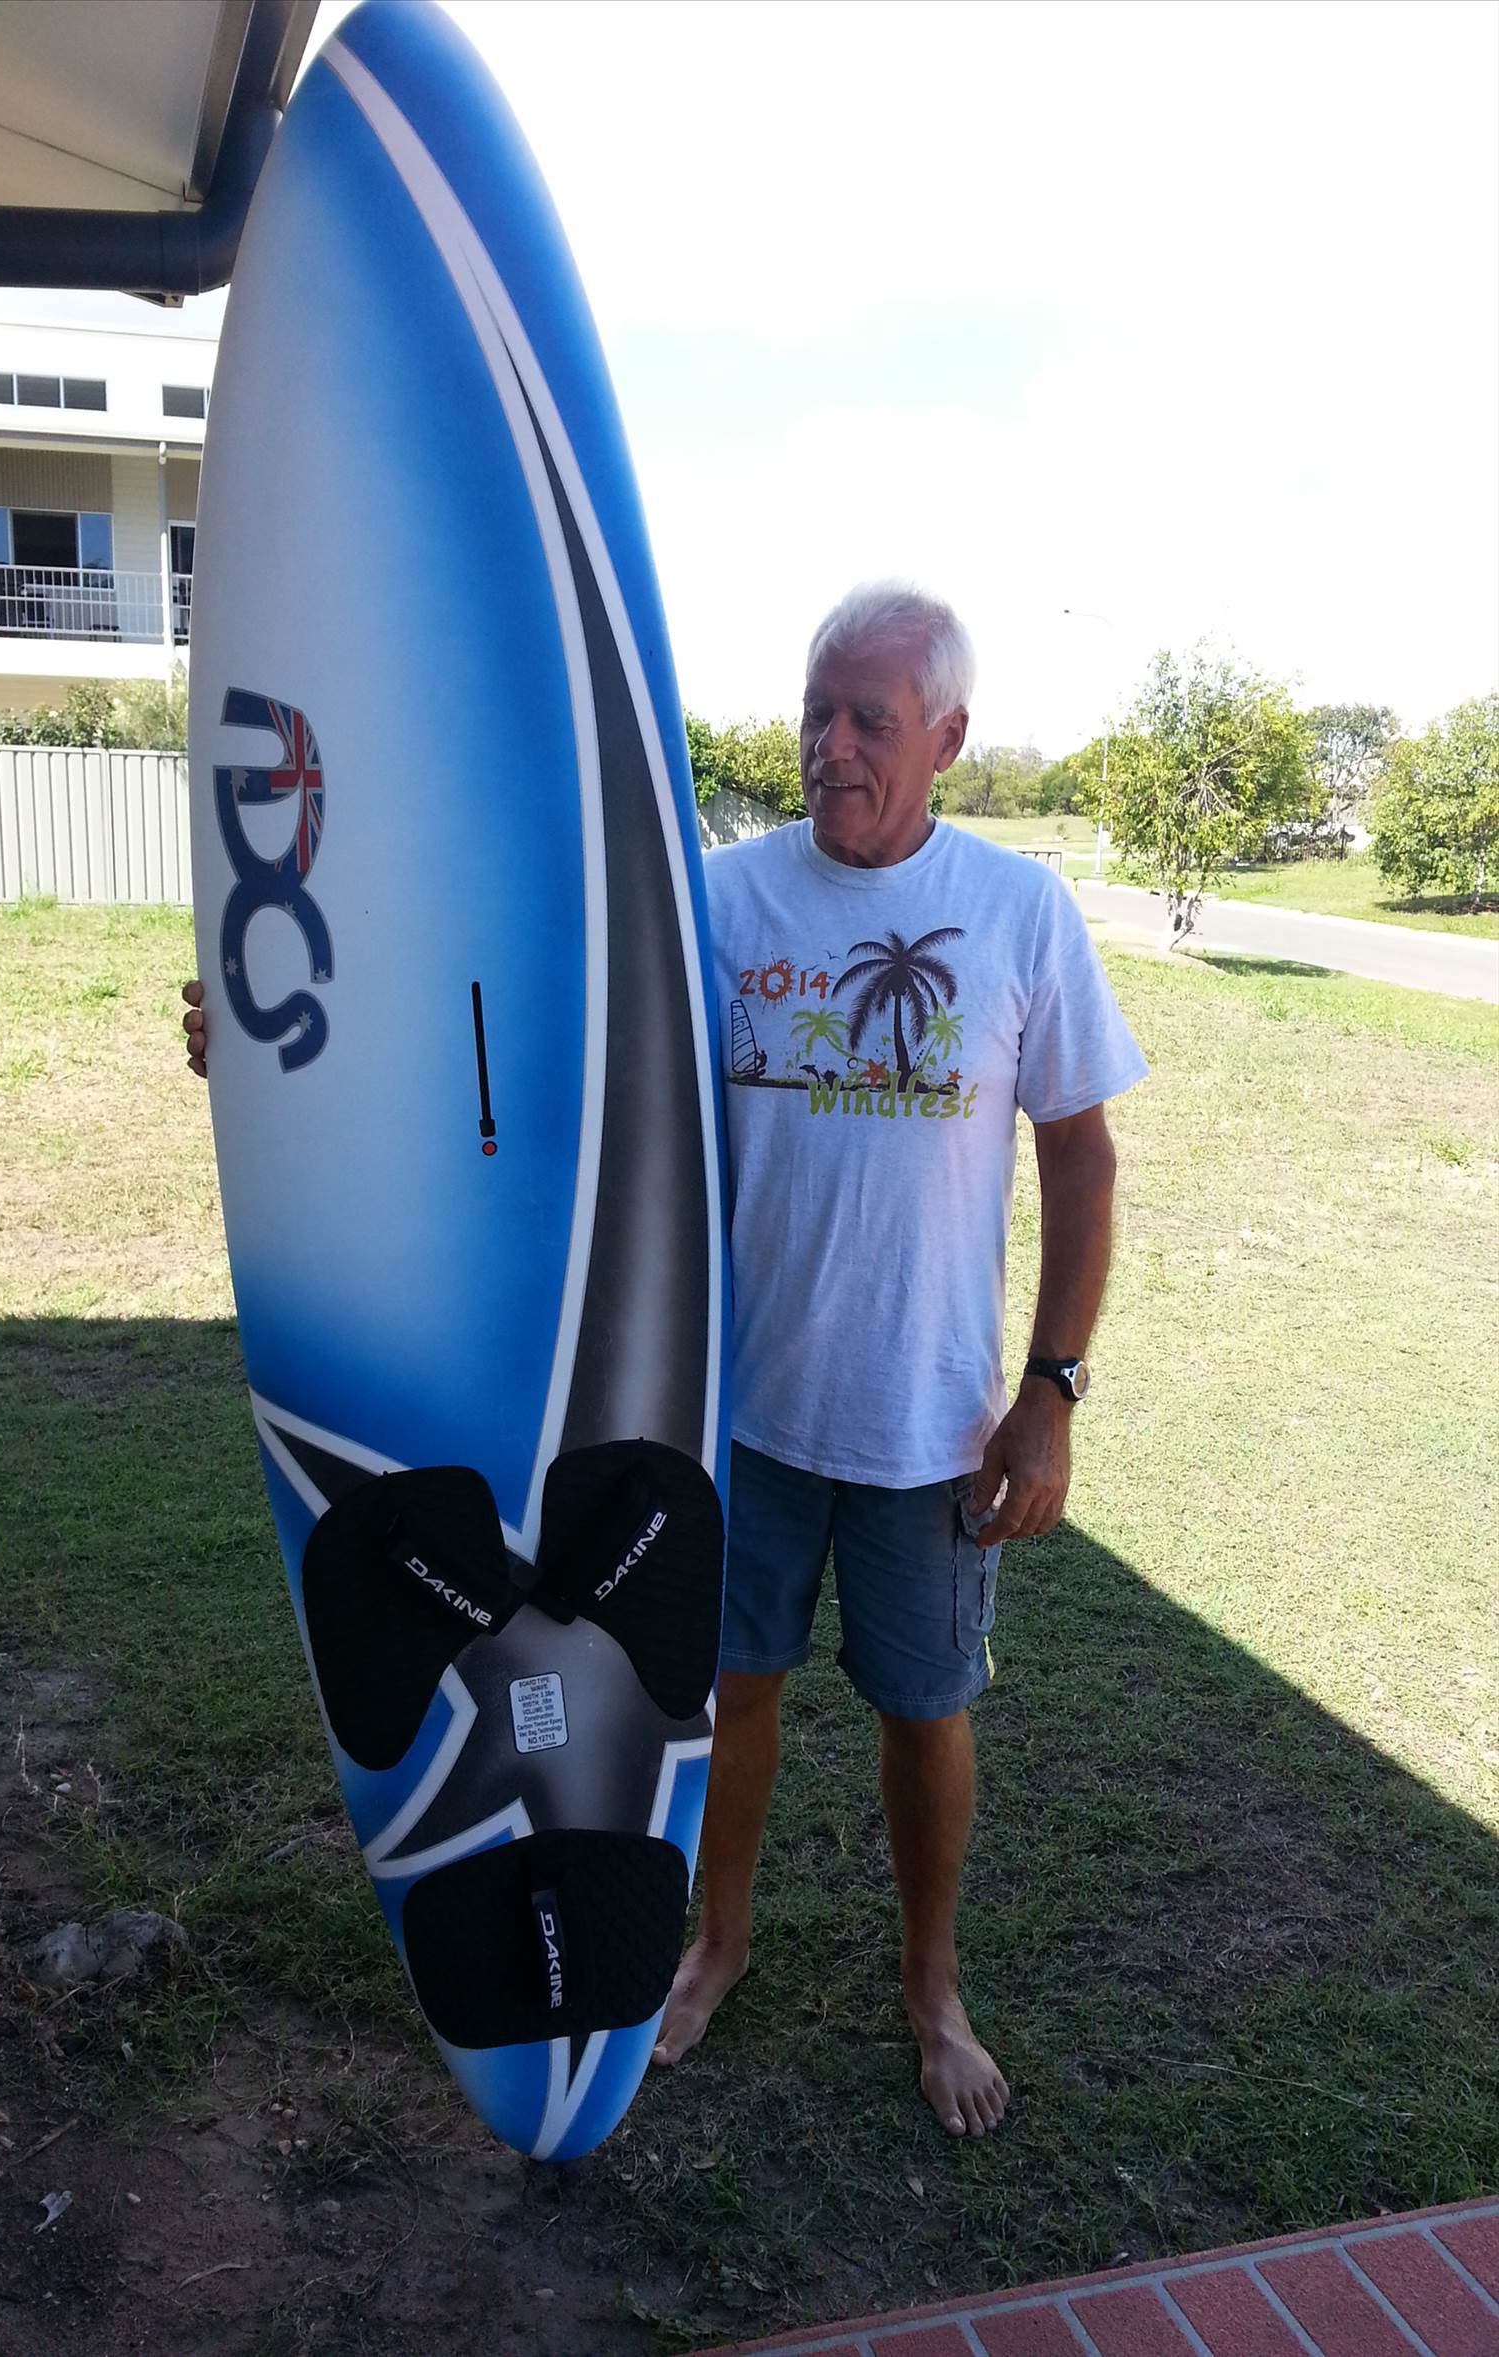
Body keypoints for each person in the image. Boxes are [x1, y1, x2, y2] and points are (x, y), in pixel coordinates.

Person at [181, 578, 1147, 2140]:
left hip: (930, 1420)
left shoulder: (1024, 913)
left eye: (871, 722)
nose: (831, 748)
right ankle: (720, 1941)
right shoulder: (719, 899)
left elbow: (1084, 1163)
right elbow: (516, 1008)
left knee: (926, 1710)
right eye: (817, 712)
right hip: (733, 1412)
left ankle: (932, 1983)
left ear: (951, 737)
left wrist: (1053, 1391)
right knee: (729, 1698)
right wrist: (285, 1029)